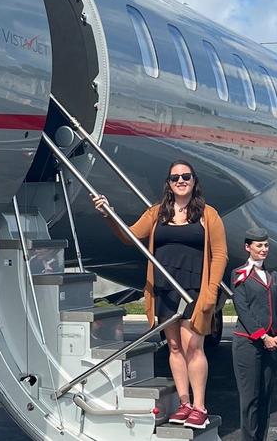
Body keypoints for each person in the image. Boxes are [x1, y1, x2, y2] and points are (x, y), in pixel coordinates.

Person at [91, 161, 228, 430]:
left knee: (194, 347)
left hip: (193, 289)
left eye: (185, 176)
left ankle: (200, 406)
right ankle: (184, 403)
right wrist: (108, 215)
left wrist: (210, 292)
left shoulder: (208, 215)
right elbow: (130, 236)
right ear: (168, 183)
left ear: (194, 181)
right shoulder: (158, 213)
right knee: (174, 347)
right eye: (175, 177)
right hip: (164, 289)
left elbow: (220, 254)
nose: (180, 181)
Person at [230, 228, 277, 441]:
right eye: (259, 245)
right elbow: (242, 308)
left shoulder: (273, 275)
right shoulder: (240, 274)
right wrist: (263, 336)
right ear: (248, 247)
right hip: (249, 343)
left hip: (272, 342)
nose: (264, 249)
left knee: (265, 397)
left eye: (266, 245)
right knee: (250, 398)